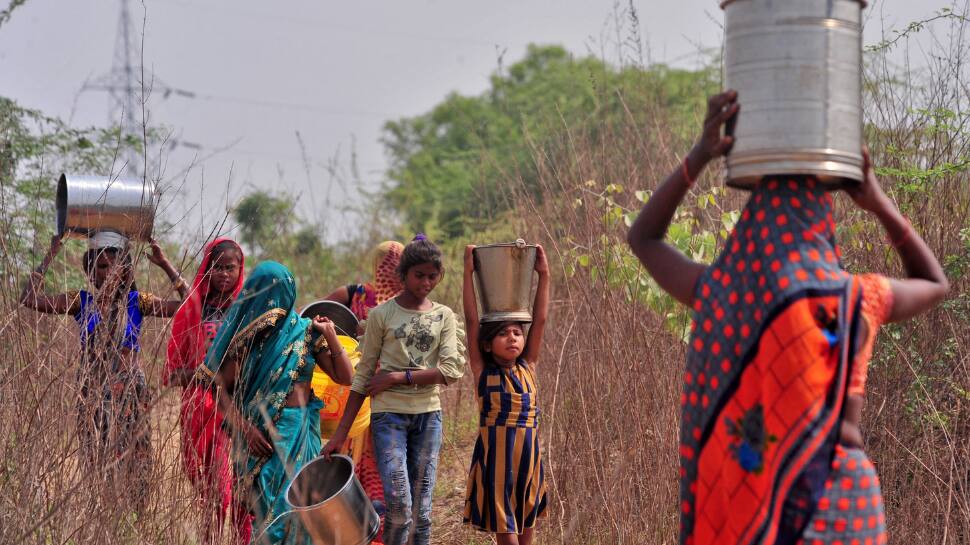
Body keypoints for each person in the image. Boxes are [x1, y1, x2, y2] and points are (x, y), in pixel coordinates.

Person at [626, 90, 949, 545]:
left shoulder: (720, 295)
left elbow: (643, 237)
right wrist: (877, 201)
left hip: (744, 515)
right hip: (843, 511)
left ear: (751, 226)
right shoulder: (856, 299)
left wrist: (699, 156)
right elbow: (936, 283)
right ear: (822, 223)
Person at [20, 231, 188, 508]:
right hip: (94, 394)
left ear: (125, 271)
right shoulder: (81, 302)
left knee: (137, 460)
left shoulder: (137, 302)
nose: (109, 273)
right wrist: (51, 253)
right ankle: (104, 516)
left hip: (131, 394)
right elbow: (29, 299)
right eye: (101, 266)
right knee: (97, 459)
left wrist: (164, 262)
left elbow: (189, 304)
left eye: (115, 266)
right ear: (91, 272)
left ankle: (135, 518)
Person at [321, 235, 466, 545]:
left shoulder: (443, 316)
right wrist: (338, 435)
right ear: (403, 275)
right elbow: (361, 378)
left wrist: (396, 378)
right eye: (418, 275)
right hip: (388, 419)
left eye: (432, 275)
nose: (426, 282)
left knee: (422, 511)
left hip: (428, 418)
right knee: (399, 505)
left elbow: (451, 371)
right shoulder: (381, 315)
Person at [199, 261, 354, 545]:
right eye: (265, 299)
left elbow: (346, 376)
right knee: (271, 515)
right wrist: (245, 428)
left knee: (303, 507)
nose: (271, 309)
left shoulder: (307, 332)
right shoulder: (244, 341)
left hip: (300, 433)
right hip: (263, 441)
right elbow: (216, 387)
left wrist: (331, 335)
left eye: (276, 298)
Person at [164, 237, 252, 544]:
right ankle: (210, 537)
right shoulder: (194, 310)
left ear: (240, 270)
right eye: (217, 267)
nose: (224, 274)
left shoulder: (249, 311)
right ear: (207, 268)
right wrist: (203, 376)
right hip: (201, 406)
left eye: (230, 268)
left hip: (240, 407)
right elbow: (175, 372)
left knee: (233, 486)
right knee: (205, 484)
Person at [461, 243, 550, 545]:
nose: (512, 337)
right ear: (487, 344)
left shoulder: (529, 366)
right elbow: (472, 321)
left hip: (529, 465)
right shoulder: (482, 373)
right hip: (497, 470)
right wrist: (468, 274)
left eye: (516, 332)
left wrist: (544, 275)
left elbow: (539, 320)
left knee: (527, 536)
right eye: (502, 333)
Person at [322, 240, 404, 544]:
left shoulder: (410, 301)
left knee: (384, 467)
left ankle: (379, 532)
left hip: (391, 396)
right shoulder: (355, 293)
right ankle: (363, 530)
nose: (391, 269)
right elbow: (317, 315)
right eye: (388, 262)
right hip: (358, 391)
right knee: (361, 463)